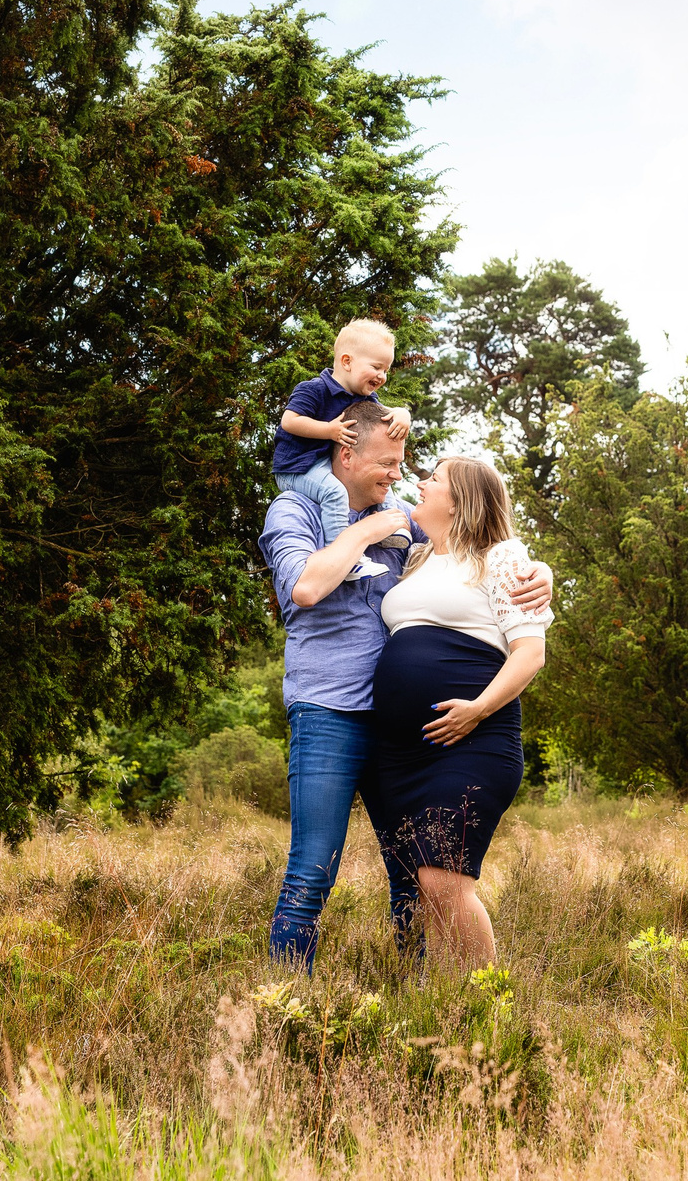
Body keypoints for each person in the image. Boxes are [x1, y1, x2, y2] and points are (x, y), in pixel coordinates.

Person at [259, 402, 552, 972]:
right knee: (315, 867)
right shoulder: (298, 512)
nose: (401, 475)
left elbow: (485, 547)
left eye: (412, 467)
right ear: (346, 453)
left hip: (422, 735)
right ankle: (284, 1003)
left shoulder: (410, 522)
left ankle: (438, 996)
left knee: (421, 879)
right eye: (388, 462)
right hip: (332, 710)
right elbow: (306, 588)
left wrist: (542, 573)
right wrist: (367, 530)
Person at [362, 455, 549, 968]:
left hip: (471, 742)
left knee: (444, 879)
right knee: (422, 887)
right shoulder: (415, 558)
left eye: (434, 480)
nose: (420, 484)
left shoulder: (503, 558)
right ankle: (443, 1005)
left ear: (462, 499)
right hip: (399, 755)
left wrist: (478, 709)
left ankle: (484, 1005)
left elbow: (530, 652)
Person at [273, 319, 412, 545]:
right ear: (347, 361)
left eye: (386, 370)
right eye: (376, 367)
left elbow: (386, 414)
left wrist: (402, 414)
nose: (382, 376)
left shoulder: (367, 399)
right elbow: (289, 421)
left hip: (326, 466)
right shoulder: (314, 389)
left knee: (384, 486)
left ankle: (390, 531)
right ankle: (340, 548)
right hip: (297, 468)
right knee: (335, 494)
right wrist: (329, 430)